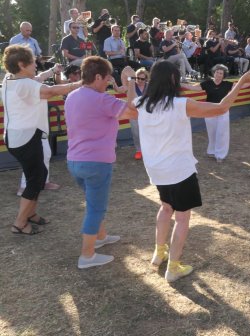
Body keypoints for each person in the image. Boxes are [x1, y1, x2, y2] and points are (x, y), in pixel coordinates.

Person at [134, 61, 250, 281]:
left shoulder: (141, 103)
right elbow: (221, 107)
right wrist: (242, 82)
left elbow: (130, 112)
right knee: (182, 218)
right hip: (179, 170)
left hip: (157, 170)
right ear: (172, 79)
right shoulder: (180, 104)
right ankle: (174, 266)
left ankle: (158, 254)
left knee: (165, 208)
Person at [65, 57, 137, 269]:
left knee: (93, 202)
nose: (108, 82)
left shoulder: (72, 96)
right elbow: (134, 112)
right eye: (107, 78)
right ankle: (87, 256)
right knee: (95, 208)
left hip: (75, 160)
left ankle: (100, 236)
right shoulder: (102, 100)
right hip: (96, 162)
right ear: (97, 77)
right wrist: (131, 81)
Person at [1, 45, 81, 235]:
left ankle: (31, 213)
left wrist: (52, 71)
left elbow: (38, 80)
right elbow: (50, 91)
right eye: (33, 62)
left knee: (37, 176)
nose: (36, 64)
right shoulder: (25, 85)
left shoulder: (10, 79)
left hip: (17, 136)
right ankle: (20, 223)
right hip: (26, 138)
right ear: (22, 64)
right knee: (36, 179)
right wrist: (80, 83)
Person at [181, 64, 235, 162]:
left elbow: (241, 85)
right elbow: (193, 88)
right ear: (214, 73)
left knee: (222, 132)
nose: (219, 75)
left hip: (223, 110)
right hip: (209, 110)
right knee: (212, 132)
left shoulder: (228, 84)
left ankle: (220, 155)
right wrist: (180, 84)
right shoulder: (207, 83)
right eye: (217, 73)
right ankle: (211, 151)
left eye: (221, 73)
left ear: (224, 75)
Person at [129, 68, 150, 160]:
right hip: (134, 114)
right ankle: (138, 150)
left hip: (147, 114)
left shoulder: (149, 86)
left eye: (142, 79)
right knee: (136, 133)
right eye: (138, 78)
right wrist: (114, 84)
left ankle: (148, 150)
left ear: (146, 79)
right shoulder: (132, 85)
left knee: (148, 132)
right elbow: (119, 89)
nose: (140, 81)